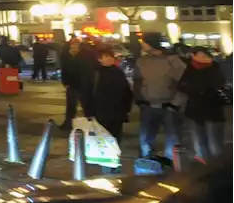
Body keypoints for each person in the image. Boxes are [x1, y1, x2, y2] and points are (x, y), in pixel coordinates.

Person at [134, 33, 185, 162]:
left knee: (172, 136)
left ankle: (172, 161)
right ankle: (148, 160)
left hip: (168, 105)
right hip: (148, 105)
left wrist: (175, 103)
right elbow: (138, 81)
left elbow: (184, 83)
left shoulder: (172, 61)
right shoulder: (142, 61)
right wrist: (139, 97)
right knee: (145, 137)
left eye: (144, 42)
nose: (142, 45)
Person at [177, 47, 227, 163]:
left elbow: (219, 85)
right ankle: (204, 167)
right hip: (195, 111)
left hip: (213, 110)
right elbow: (181, 85)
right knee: (199, 141)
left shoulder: (215, 68)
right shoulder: (189, 69)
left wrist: (199, 88)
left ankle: (218, 167)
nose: (202, 58)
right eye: (198, 55)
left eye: (204, 55)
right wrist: (198, 89)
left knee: (215, 143)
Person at [89, 46, 133, 171]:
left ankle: (114, 161)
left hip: (117, 111)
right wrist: (89, 112)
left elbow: (126, 92)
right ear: (99, 59)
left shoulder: (118, 72)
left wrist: (126, 108)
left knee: (116, 137)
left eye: (111, 57)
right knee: (104, 139)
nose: (110, 59)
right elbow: (87, 93)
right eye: (106, 57)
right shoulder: (95, 73)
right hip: (101, 112)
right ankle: (107, 165)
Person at [58, 39, 89, 131]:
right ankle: (68, 123)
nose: (74, 48)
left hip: (83, 84)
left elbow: (87, 71)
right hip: (71, 85)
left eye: (76, 46)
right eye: (72, 46)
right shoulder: (67, 56)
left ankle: (90, 123)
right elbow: (64, 70)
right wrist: (65, 82)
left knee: (86, 105)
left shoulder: (84, 57)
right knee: (70, 106)